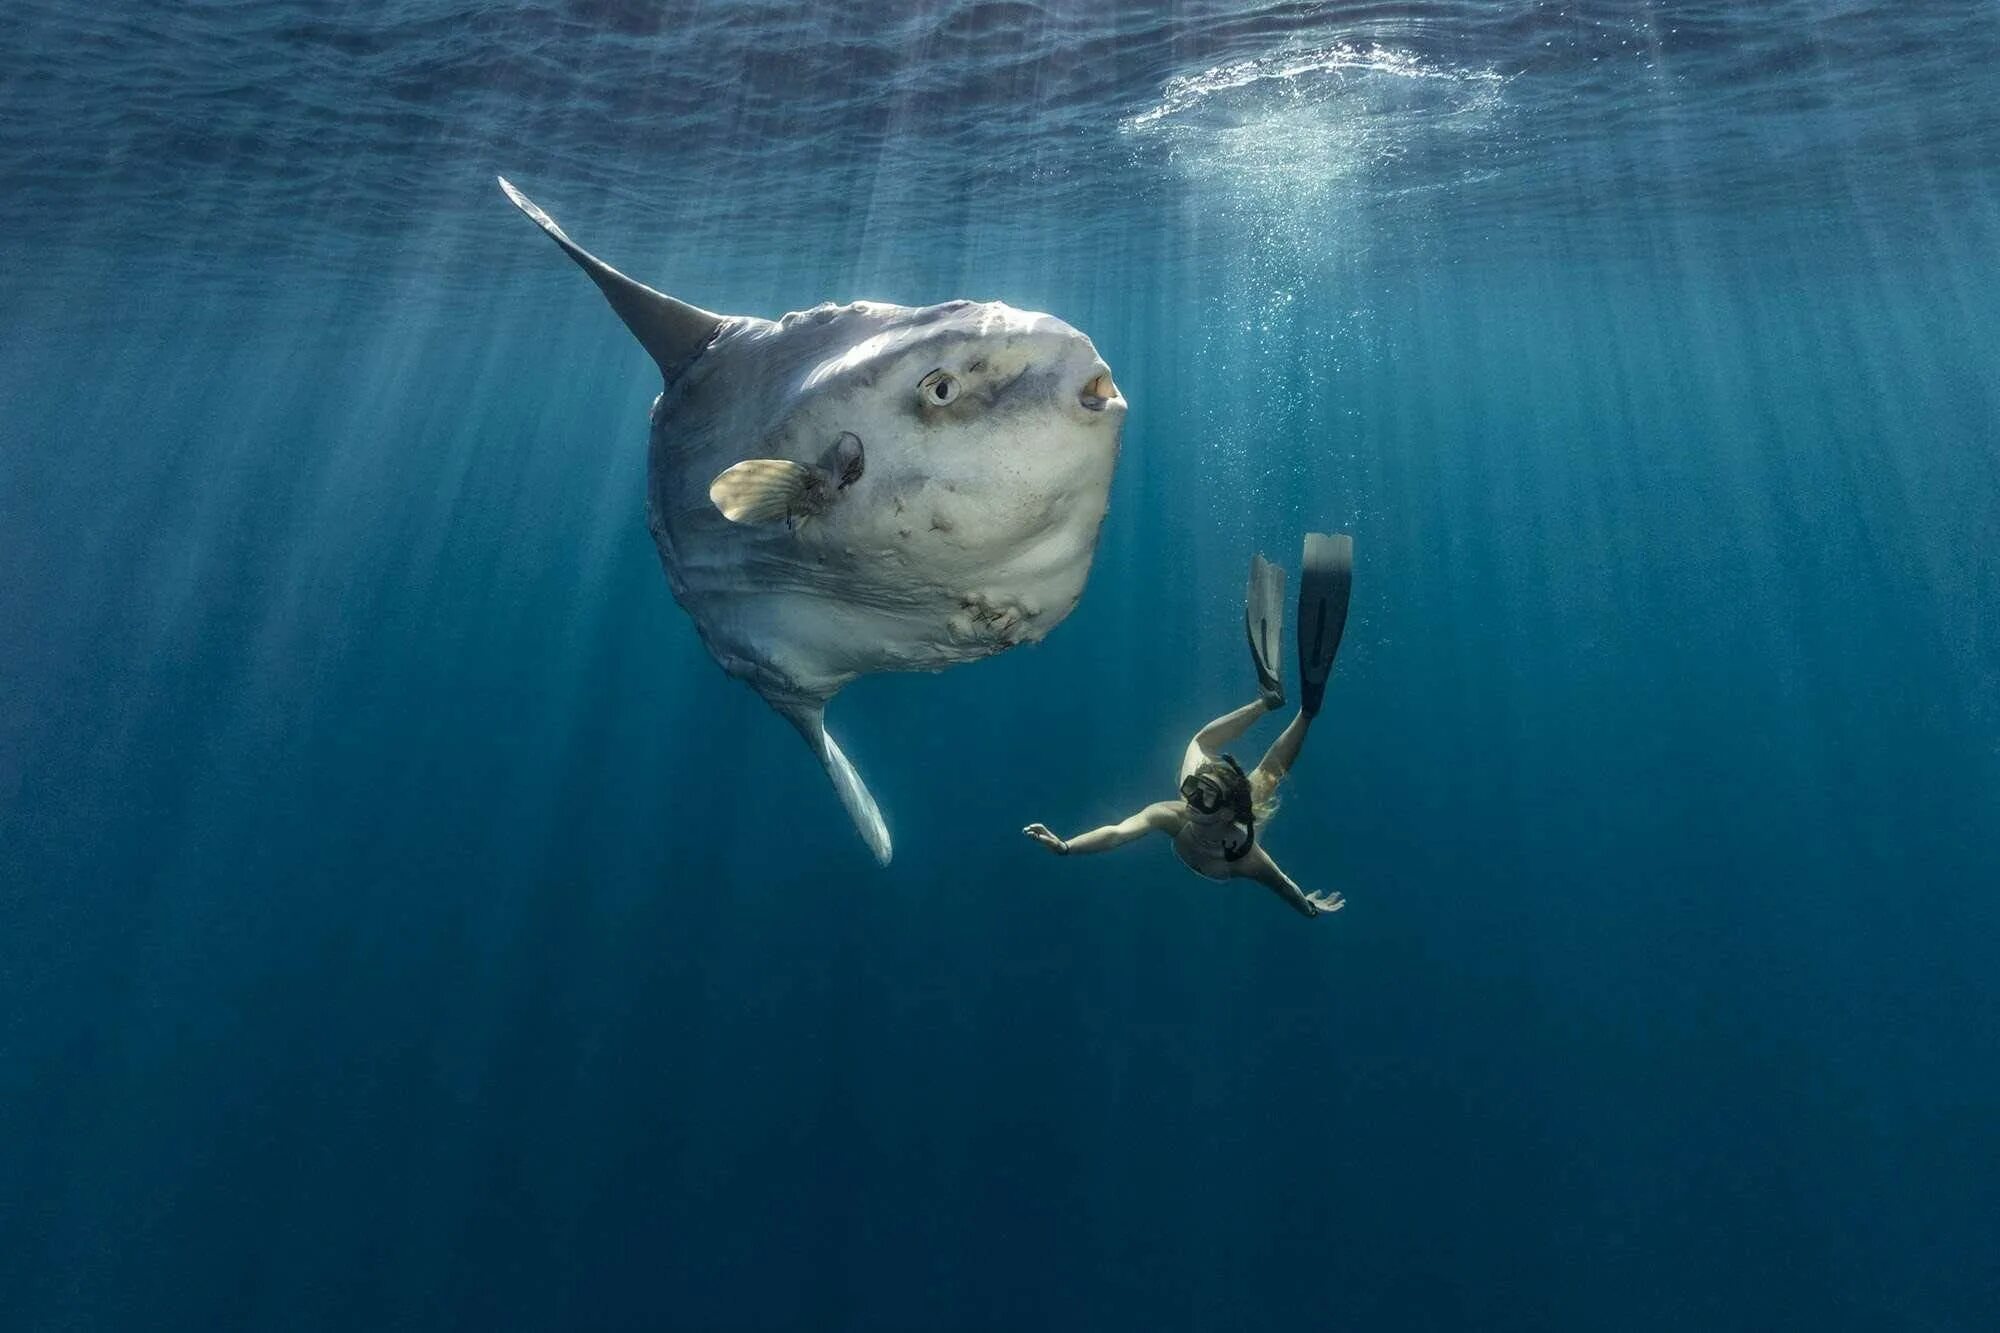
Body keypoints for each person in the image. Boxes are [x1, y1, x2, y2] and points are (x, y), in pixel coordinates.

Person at [1022, 534, 1353, 919]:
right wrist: (1067, 846)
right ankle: (1268, 701)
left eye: (1202, 796)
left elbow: (1283, 886)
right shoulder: (1175, 814)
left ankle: (1304, 711)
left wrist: (1307, 907)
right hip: (1233, 801)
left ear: (1227, 813)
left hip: (1241, 815)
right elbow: (1118, 832)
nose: (1191, 801)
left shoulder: (1247, 858)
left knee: (1265, 777)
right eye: (1193, 790)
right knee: (1212, 750)